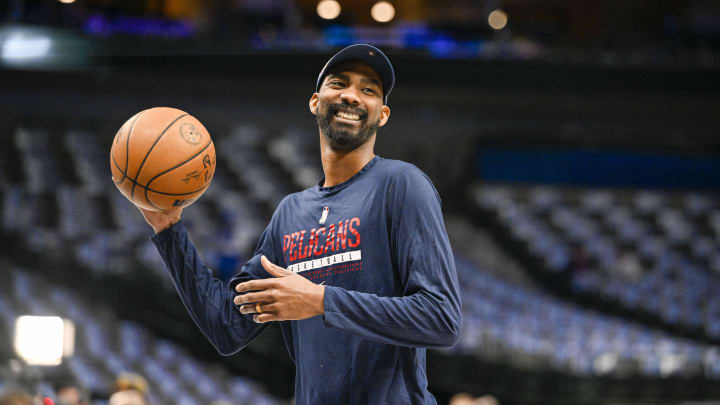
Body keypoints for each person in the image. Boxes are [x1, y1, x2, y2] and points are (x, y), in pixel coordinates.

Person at [140, 43, 462, 404]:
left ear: (382, 114)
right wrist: (169, 230)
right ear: (315, 102)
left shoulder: (401, 184)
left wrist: (321, 300)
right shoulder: (290, 213)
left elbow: (441, 318)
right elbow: (227, 327)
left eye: (368, 89)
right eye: (339, 83)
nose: (353, 96)